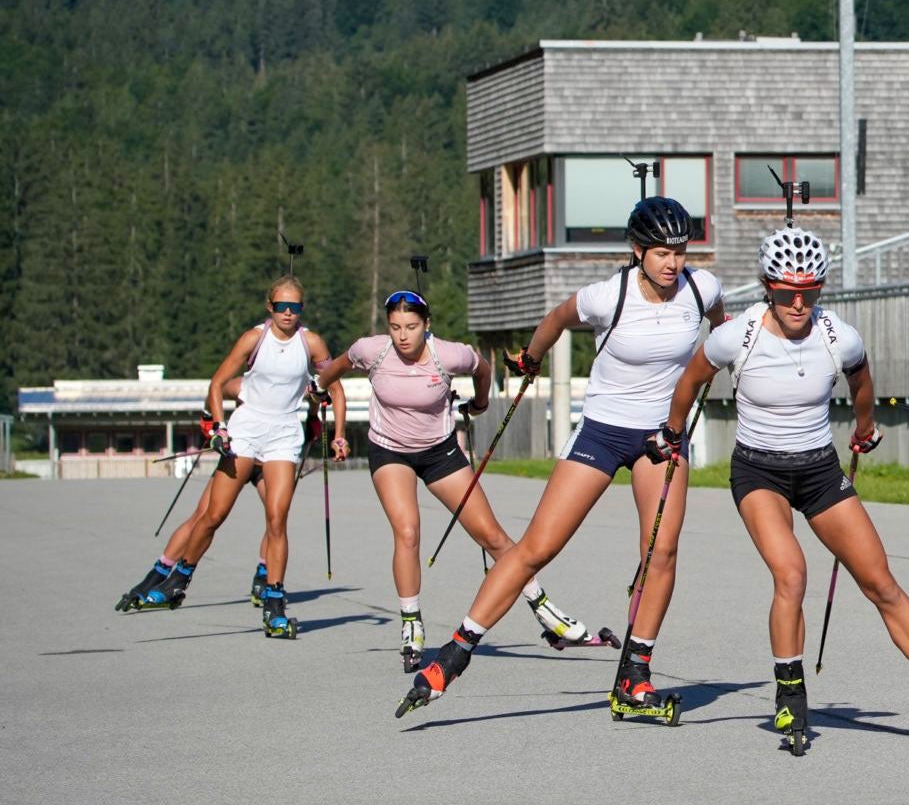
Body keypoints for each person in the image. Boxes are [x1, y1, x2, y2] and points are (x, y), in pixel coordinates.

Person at [665, 224, 909, 749]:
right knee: (791, 574)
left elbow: (861, 380)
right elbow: (691, 380)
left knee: (879, 581)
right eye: (787, 292)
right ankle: (790, 697)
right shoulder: (735, 335)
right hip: (758, 471)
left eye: (809, 292)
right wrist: (673, 434)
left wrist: (863, 428)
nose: (798, 303)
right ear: (769, 286)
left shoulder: (838, 335)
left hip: (817, 469)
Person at [396, 195, 723, 723]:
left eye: (680, 251)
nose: (673, 262)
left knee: (661, 553)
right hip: (603, 430)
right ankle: (453, 656)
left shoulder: (701, 288)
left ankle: (633, 681)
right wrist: (530, 357)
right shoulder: (605, 296)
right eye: (662, 251)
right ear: (638, 251)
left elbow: (720, 333)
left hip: (662, 438)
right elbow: (555, 319)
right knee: (537, 547)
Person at [314, 289, 605, 673]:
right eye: (396, 327)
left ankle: (548, 614)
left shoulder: (448, 354)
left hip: (440, 452)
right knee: (407, 531)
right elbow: (334, 368)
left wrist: (481, 403)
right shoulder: (372, 350)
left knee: (492, 536)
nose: (403, 336)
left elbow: (482, 368)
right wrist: (319, 388)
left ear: (427, 325)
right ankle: (411, 625)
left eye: (412, 327)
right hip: (390, 451)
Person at [115, 276, 346, 638]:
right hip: (246, 432)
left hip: (284, 436)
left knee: (277, 519)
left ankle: (274, 602)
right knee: (212, 515)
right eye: (282, 306)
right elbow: (217, 383)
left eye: (295, 307)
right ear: (270, 307)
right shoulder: (254, 338)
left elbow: (334, 387)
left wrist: (339, 434)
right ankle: (177, 578)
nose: (288, 313)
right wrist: (218, 427)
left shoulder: (311, 342)